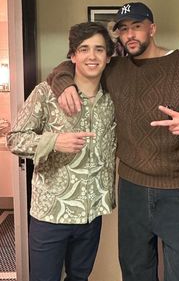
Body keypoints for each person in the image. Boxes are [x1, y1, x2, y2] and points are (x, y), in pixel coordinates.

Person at [47, 2, 179, 281]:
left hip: (176, 191)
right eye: (123, 29)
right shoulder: (116, 69)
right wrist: (65, 84)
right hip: (131, 188)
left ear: (152, 28)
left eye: (137, 26)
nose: (130, 35)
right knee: (135, 271)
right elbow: (67, 65)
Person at [7, 22, 117, 281]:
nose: (92, 56)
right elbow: (14, 139)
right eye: (84, 49)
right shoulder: (45, 93)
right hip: (50, 214)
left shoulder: (113, 98)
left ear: (108, 57)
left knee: (79, 277)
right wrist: (53, 141)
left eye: (99, 49)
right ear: (73, 56)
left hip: (92, 213)